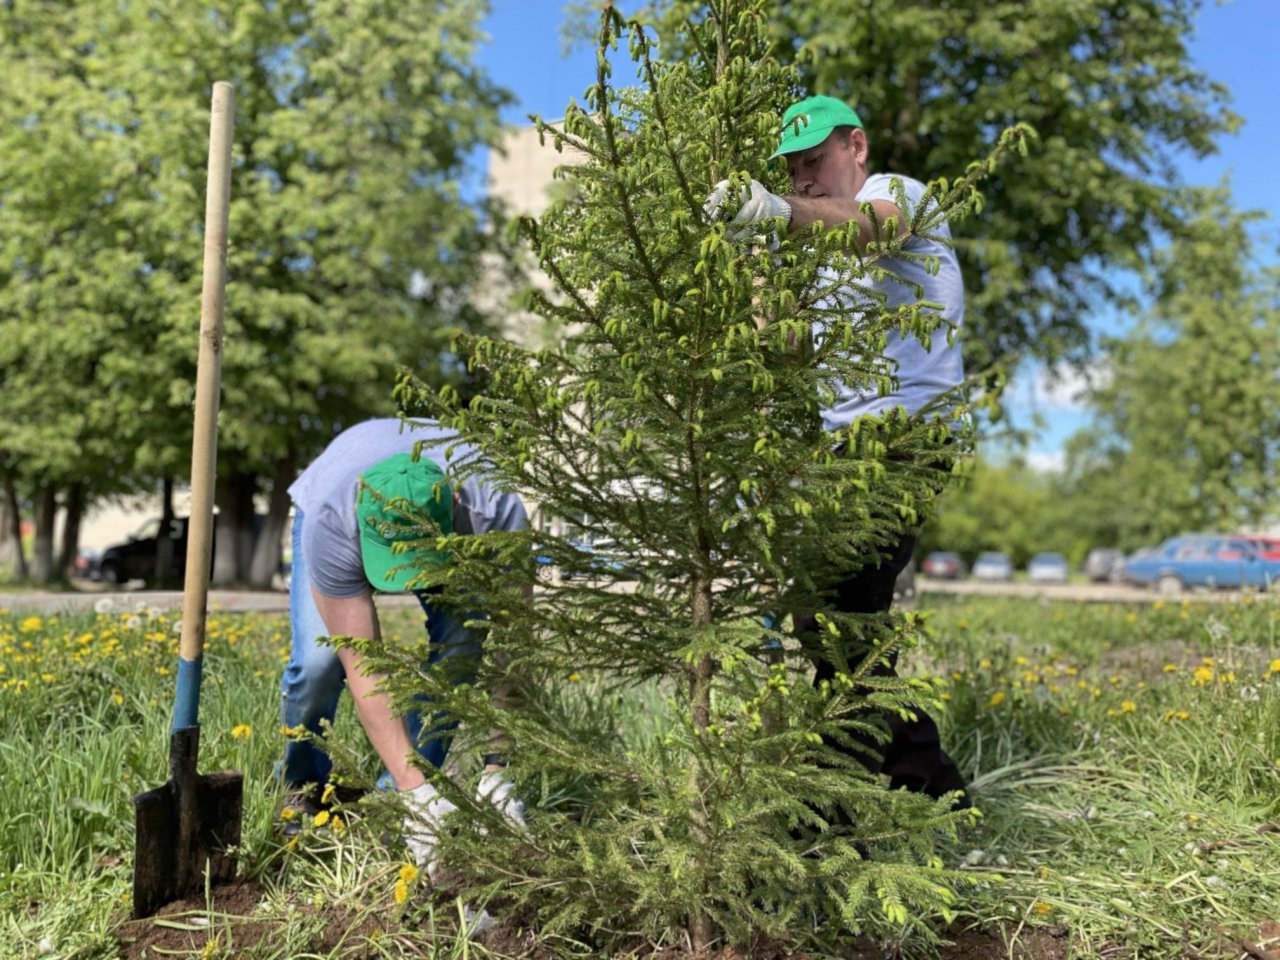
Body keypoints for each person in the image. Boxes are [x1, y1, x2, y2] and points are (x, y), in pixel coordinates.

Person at [706, 95, 969, 804]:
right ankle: (921, 784)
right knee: (830, 621)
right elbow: (789, 352)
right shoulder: (819, 256)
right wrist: (752, 265)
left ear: (856, 145)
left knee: (846, 612)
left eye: (814, 162)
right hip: (841, 448)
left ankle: (857, 794)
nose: (804, 181)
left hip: (904, 437)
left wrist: (774, 213)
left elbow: (870, 233)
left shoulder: (895, 195)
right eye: (791, 172)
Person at [279, 417, 529, 866]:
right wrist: (422, 796)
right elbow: (364, 668)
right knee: (317, 664)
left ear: (453, 506)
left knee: (462, 644)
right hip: (336, 508)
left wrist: (499, 769)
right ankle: (304, 789)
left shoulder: (497, 514)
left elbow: (515, 647)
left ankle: (398, 799)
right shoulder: (332, 519)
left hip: (461, 540)